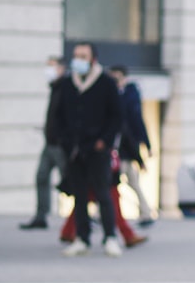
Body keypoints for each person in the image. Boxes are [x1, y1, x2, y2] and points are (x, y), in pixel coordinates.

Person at [53, 42, 124, 257]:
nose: (78, 60)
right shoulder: (67, 84)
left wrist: (104, 141)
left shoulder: (106, 82)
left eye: (83, 56)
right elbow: (58, 114)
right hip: (75, 149)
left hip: (98, 149)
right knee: (80, 196)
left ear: (93, 59)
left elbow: (117, 116)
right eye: (76, 55)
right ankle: (82, 238)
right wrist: (65, 140)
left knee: (104, 194)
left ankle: (110, 237)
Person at [19, 56, 68, 230]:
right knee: (41, 177)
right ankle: (41, 216)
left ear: (61, 68)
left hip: (61, 145)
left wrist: (63, 139)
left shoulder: (66, 87)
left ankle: (85, 216)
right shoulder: (55, 87)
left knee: (70, 182)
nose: (48, 70)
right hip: (50, 142)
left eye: (52, 66)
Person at [109, 65, 156, 226]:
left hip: (125, 149)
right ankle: (145, 212)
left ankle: (144, 213)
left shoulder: (129, 96)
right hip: (120, 148)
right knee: (129, 182)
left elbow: (137, 122)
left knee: (113, 183)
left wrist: (146, 146)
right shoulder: (117, 95)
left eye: (117, 78)